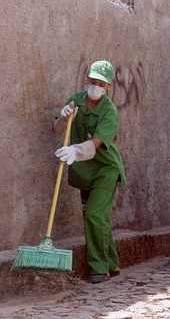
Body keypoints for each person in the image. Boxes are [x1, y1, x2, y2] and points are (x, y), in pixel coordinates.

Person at [53, 60, 126, 284]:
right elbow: (56, 129)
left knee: (94, 214)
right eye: (92, 81)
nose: (95, 86)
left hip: (105, 168)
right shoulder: (75, 101)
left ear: (108, 87)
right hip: (84, 170)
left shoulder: (110, 112)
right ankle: (112, 263)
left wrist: (75, 150)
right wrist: (64, 117)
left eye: (100, 83)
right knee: (96, 218)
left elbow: (96, 143)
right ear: (87, 80)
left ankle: (98, 268)